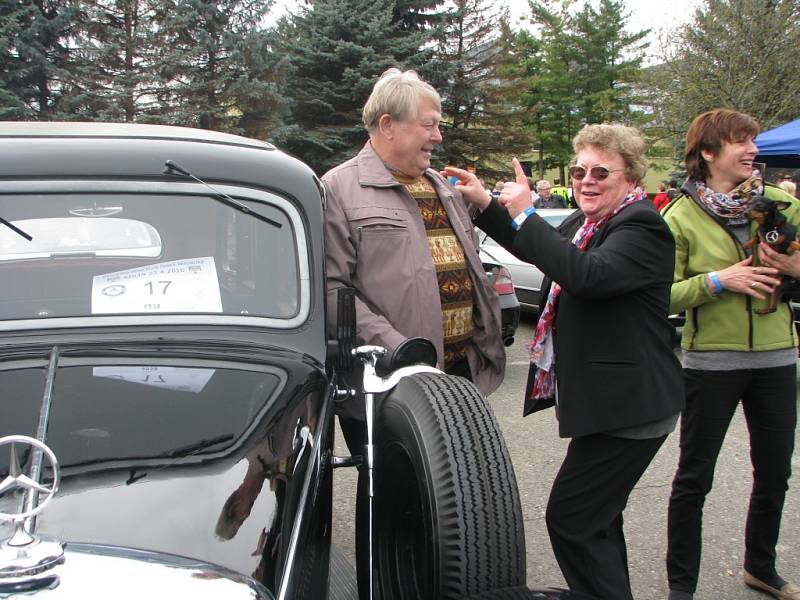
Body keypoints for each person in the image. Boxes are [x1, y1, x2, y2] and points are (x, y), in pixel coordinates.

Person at [444, 123, 684, 600]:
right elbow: (538, 250)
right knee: (597, 519)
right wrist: (488, 204)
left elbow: (584, 276)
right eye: (579, 171)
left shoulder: (642, 228)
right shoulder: (587, 223)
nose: (586, 180)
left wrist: (527, 210)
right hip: (609, 403)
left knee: (572, 519)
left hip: (632, 407)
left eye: (601, 171)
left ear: (632, 177)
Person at [323, 67, 506, 597]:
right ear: (387, 125)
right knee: (389, 498)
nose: (439, 135)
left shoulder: (439, 187)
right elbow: (335, 290)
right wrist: (399, 349)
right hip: (389, 382)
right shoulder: (339, 187)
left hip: (454, 378)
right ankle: (382, 588)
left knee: (453, 497)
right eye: (429, 124)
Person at [662, 108, 799, 600]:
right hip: (711, 361)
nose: (752, 149)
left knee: (775, 472)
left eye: (753, 140)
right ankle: (682, 587)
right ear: (708, 152)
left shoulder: (781, 203)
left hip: (778, 355)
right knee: (694, 478)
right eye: (741, 141)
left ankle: (760, 567)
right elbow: (659, 295)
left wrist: (792, 263)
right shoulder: (677, 215)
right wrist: (721, 280)